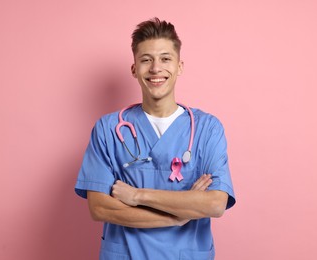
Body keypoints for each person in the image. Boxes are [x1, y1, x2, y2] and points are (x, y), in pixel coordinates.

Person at [75, 17, 236, 260]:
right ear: (134, 69)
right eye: (146, 60)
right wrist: (178, 216)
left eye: (165, 58)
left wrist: (137, 196)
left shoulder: (207, 129)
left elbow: (215, 204)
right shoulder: (108, 129)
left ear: (179, 66)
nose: (155, 68)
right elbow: (100, 207)